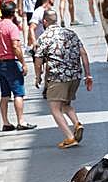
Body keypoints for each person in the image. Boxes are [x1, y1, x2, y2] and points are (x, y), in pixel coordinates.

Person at [33, 9, 92, 148]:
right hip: (75, 76)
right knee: (66, 104)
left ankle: (70, 137)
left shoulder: (44, 37)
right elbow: (83, 53)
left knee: (54, 108)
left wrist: (38, 76)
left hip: (58, 77)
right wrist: (88, 74)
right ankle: (77, 123)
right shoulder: (71, 33)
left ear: (45, 22)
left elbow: (38, 59)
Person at [0, 1, 35, 131]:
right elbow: (15, 46)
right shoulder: (12, 27)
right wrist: (23, 62)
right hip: (11, 62)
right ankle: (21, 121)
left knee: (4, 95)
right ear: (13, 13)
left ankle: (6, 122)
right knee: (18, 94)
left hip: (0, 63)